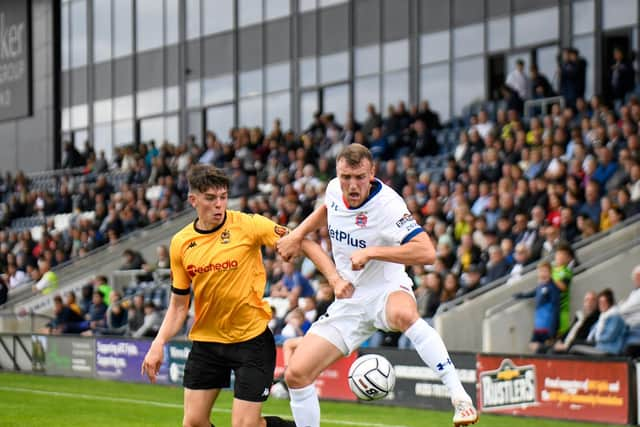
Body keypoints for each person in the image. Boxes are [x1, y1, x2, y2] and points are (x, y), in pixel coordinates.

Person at [277, 144, 478, 427]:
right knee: (296, 375)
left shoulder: (388, 206)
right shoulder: (334, 189)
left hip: (386, 288)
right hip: (349, 300)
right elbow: (328, 209)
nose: (351, 184)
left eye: (359, 176)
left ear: (371, 173)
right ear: (337, 173)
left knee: (405, 315)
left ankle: (460, 397)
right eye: (346, 176)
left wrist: (372, 252)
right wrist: (298, 233)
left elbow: (427, 252)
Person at [140, 164, 342, 427]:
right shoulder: (181, 243)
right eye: (210, 198)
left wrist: (335, 279)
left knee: (246, 426)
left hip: (251, 341)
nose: (218, 205)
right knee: (193, 422)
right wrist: (158, 343)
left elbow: (301, 240)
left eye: (222, 197)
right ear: (193, 200)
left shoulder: (248, 225)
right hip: (207, 342)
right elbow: (179, 306)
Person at [514, 261, 561, 353]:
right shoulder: (540, 286)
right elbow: (532, 293)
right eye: (541, 271)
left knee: (543, 350)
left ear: (550, 273)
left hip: (547, 326)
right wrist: (521, 295)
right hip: (539, 326)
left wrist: (553, 329)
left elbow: (556, 308)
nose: (542, 274)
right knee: (534, 347)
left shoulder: (552, 288)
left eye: (545, 271)